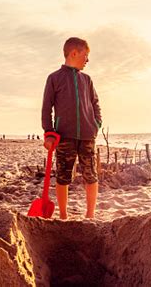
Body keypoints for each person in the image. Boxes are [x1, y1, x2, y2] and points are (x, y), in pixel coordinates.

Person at [41, 37, 102, 220]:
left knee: (91, 175)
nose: (87, 60)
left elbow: (95, 103)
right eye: (86, 55)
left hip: (87, 136)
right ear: (74, 53)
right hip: (63, 136)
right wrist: (49, 132)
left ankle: (90, 215)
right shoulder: (54, 78)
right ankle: (64, 216)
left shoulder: (87, 80)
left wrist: (96, 124)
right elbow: (46, 108)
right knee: (63, 176)